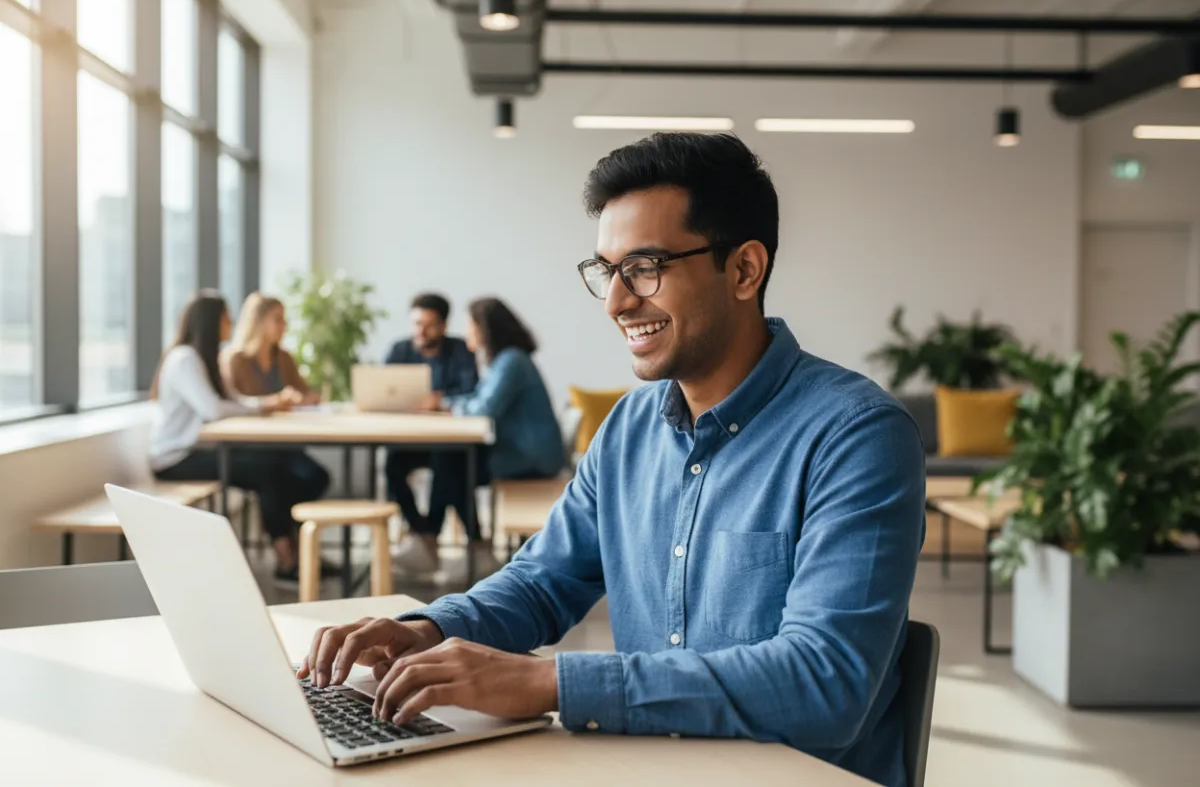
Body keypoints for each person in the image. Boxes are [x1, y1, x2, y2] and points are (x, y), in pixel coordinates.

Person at [298, 134, 925, 787]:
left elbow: (824, 682)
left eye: (646, 268)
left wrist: (550, 682)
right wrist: (427, 629)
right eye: (607, 270)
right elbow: (544, 583)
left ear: (743, 270)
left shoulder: (857, 436)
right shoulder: (628, 427)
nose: (616, 302)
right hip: (649, 766)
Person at [150, 290, 330, 583]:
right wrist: (264, 404)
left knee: (277, 467)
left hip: (197, 450)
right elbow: (213, 409)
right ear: (211, 322)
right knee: (267, 469)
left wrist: (265, 403)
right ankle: (286, 557)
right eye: (225, 317)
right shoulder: (185, 359)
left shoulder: (203, 358)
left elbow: (232, 400)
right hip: (175, 458)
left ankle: (292, 551)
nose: (230, 323)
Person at [411, 297, 565, 579]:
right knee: (449, 459)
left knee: (452, 462)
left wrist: (445, 405)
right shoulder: (507, 360)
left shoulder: (512, 361)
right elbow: (479, 398)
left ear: (485, 328)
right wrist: (447, 402)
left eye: (471, 325)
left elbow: (483, 408)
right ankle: (460, 543)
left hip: (532, 458)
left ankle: (458, 544)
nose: (467, 332)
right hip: (521, 452)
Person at [382, 293, 479, 574]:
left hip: (447, 440)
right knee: (391, 466)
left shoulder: (460, 350)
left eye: (428, 324)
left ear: (443, 325)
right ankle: (421, 531)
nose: (420, 331)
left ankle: (427, 538)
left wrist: (439, 401)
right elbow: (382, 391)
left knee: (448, 462)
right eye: (416, 324)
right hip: (408, 439)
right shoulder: (399, 350)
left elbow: (471, 391)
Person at [221, 292, 332, 513]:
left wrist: (303, 399)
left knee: (317, 477)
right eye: (278, 319)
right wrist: (274, 402)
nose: (284, 325)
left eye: (284, 319)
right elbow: (234, 404)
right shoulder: (235, 360)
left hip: (285, 443)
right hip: (253, 445)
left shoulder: (283, 358)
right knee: (273, 476)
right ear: (258, 321)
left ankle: (288, 531)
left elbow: (306, 394)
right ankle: (287, 539)